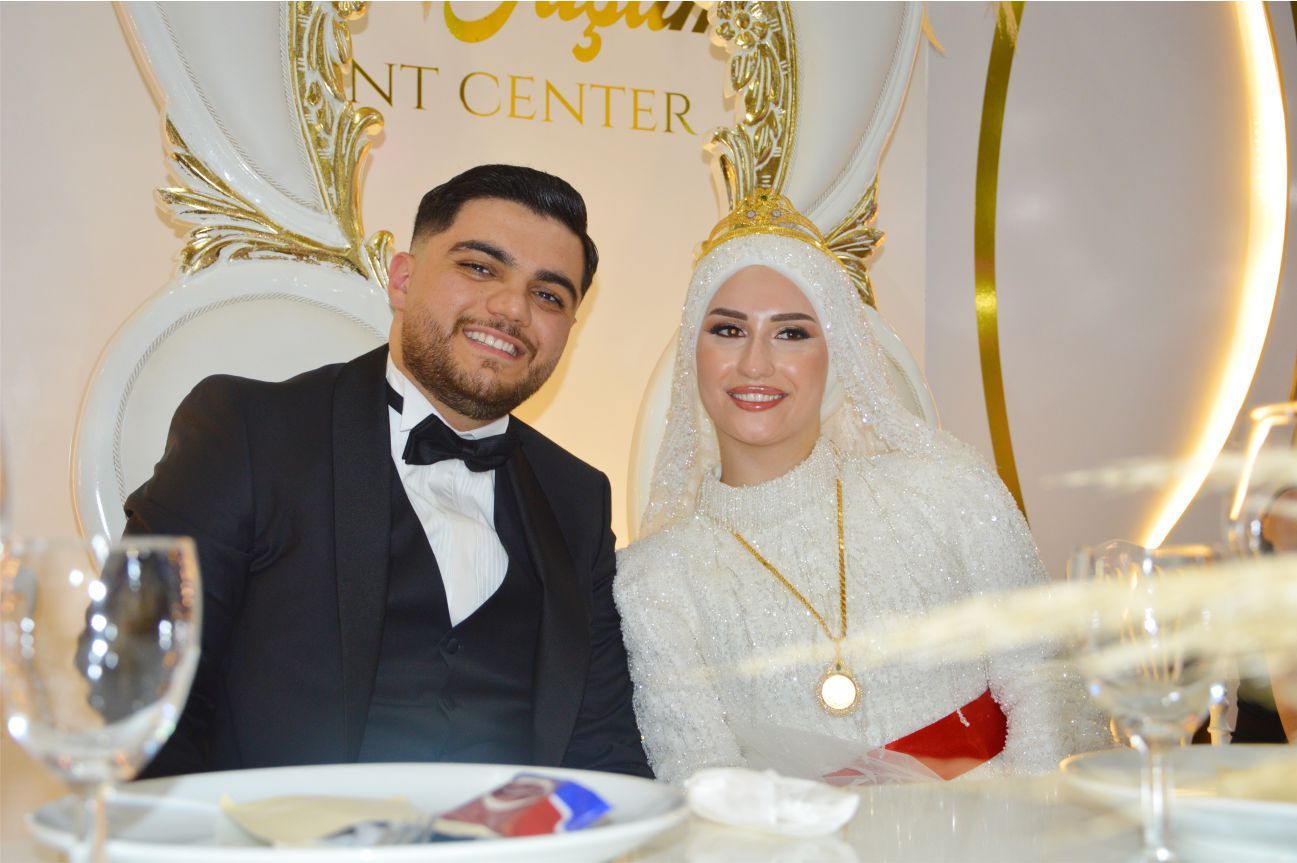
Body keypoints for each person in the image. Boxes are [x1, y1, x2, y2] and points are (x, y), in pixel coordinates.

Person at [127, 164, 650, 779]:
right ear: (402, 279)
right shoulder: (248, 431)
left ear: (568, 332)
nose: (512, 307)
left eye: (549, 296)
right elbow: (137, 679)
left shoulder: (579, 496)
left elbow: (602, 743)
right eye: (480, 267)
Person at [615, 191, 1105, 785]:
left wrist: (1018, 822)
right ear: (693, 354)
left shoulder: (944, 487)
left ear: (837, 353)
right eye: (728, 329)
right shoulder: (653, 580)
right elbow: (704, 781)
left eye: (791, 333)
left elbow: (1047, 678)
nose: (754, 364)